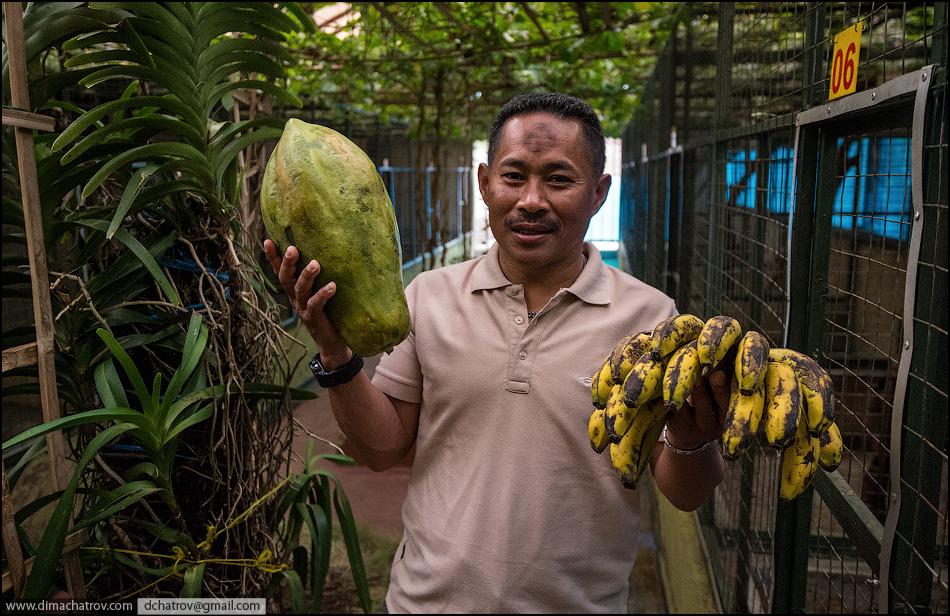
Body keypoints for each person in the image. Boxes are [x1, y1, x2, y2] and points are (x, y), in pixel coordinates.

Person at [263, 92, 729, 613]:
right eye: (514, 177)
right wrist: (333, 349)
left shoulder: (650, 321)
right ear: (485, 184)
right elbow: (381, 449)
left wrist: (690, 437)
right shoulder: (428, 297)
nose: (532, 200)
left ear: (599, 192)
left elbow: (685, 494)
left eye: (559, 179)